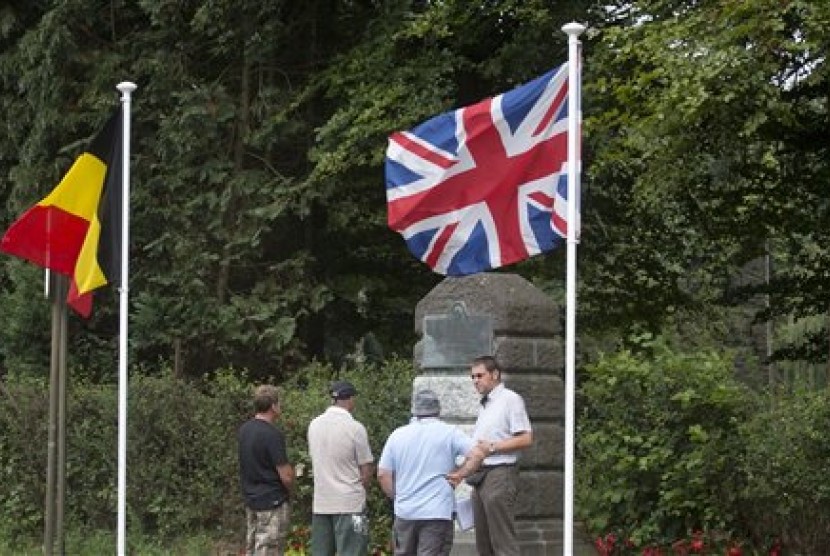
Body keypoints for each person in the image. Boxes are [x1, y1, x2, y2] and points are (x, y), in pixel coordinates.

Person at [377, 389, 486, 556]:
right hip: (437, 512)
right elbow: (478, 454)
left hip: (405, 512)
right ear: (438, 410)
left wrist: (398, 497)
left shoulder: (397, 435)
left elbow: (383, 474)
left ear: (414, 410)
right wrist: (460, 473)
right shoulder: (449, 433)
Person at [467, 355, 533, 556]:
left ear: (495, 374)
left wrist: (493, 447)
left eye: (480, 375)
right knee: (484, 546)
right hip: (480, 476)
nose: (475, 380)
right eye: (472, 377)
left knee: (503, 544)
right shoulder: (485, 404)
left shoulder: (510, 400)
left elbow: (526, 438)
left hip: (500, 474)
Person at [307, 380, 375, 556]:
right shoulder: (355, 428)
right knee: (352, 551)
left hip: (322, 502)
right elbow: (366, 468)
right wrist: (362, 488)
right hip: (349, 503)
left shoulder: (314, 425)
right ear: (350, 399)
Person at [237, 385, 295, 556]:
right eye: (279, 403)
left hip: (251, 499)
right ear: (273, 406)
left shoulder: (244, 430)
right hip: (272, 501)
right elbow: (285, 475)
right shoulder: (272, 434)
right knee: (270, 548)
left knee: (252, 546)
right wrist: (291, 490)